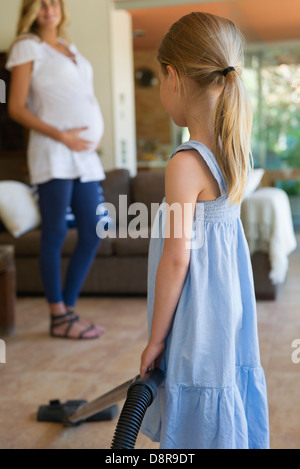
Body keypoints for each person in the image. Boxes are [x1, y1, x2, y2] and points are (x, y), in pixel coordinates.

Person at [139, 12, 269, 449]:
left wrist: (155, 340)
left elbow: (177, 259)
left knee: (194, 392)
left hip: (195, 318)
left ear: (173, 77)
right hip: (227, 311)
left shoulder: (185, 163)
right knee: (223, 381)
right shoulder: (235, 151)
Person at [6, 0, 105, 340]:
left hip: (84, 158)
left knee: (94, 231)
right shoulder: (27, 46)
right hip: (52, 152)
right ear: (31, 10)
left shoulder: (69, 48)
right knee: (55, 233)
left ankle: (68, 309)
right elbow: (17, 107)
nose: (48, 8)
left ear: (62, 7)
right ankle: (59, 316)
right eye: (41, 3)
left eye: (54, 1)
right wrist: (63, 134)